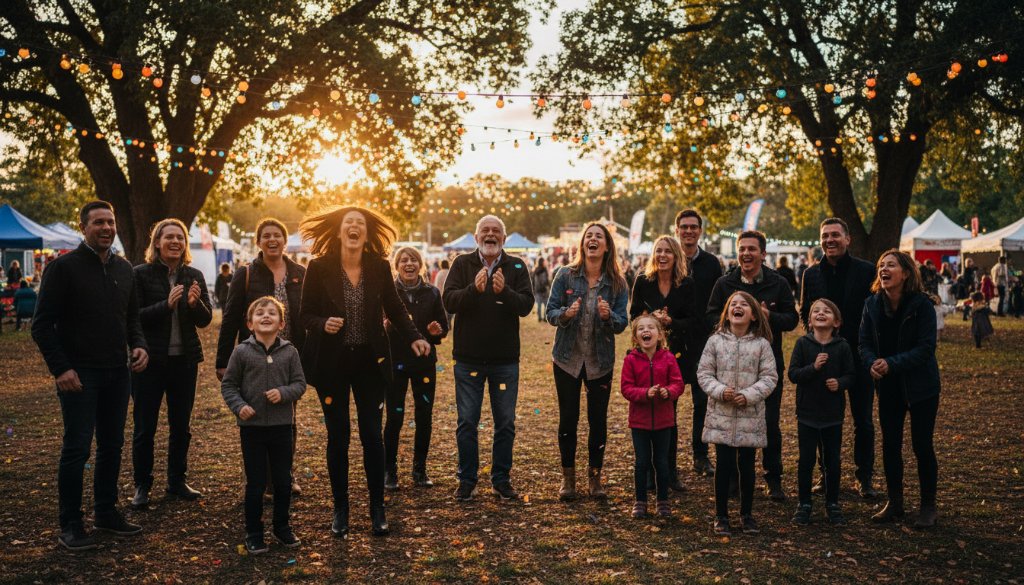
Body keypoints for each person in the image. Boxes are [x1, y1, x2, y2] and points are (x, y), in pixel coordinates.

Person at [298, 206, 430, 537]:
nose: (355, 227)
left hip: (371, 365)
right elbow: (304, 315)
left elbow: (396, 308)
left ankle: (377, 509)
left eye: (360, 224)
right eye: (349, 223)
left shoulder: (379, 267)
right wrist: (321, 323)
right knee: (338, 436)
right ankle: (340, 510)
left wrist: (415, 337)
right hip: (333, 364)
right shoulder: (319, 267)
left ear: (366, 234)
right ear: (340, 231)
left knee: (372, 435)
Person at [31, 200, 150, 551]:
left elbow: (132, 320)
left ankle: (105, 512)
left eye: (110, 222)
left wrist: (139, 345)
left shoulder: (125, 269)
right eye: (98, 222)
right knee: (77, 448)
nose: (106, 228)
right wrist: (61, 368)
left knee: (112, 445)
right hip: (79, 375)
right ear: (83, 227)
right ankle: (70, 523)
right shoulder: (63, 268)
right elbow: (41, 325)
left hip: (118, 372)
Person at [443, 215, 534, 502]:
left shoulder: (517, 265)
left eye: (496, 231)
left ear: (504, 239)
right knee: (467, 422)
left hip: (504, 360)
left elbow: (526, 306)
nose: (490, 235)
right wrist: (474, 290)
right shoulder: (461, 264)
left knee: (505, 422)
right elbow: (449, 301)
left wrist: (503, 292)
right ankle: (467, 480)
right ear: (476, 237)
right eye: (485, 230)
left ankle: (501, 479)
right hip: (468, 359)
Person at [706, 230, 798, 501]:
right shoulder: (724, 284)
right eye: (742, 249)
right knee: (732, 421)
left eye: (752, 249)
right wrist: (731, 322)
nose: (746, 253)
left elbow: (792, 319)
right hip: (729, 366)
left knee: (769, 422)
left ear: (763, 253)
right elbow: (711, 315)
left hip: (766, 364)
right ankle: (734, 478)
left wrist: (767, 317)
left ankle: (773, 477)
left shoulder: (777, 283)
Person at [216, 218, 306, 495]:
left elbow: (307, 316)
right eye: (266, 235)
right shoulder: (245, 274)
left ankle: (284, 476)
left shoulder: (300, 273)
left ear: (284, 240)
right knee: (255, 415)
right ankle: (258, 478)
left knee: (287, 415)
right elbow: (230, 318)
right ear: (258, 242)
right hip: (254, 355)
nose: (272, 239)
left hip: (289, 354)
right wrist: (222, 360)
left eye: (277, 235)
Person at [129, 219, 212, 509]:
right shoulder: (139, 275)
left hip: (184, 362)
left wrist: (194, 305)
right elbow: (134, 317)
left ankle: (176, 481)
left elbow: (205, 320)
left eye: (180, 237)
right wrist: (166, 305)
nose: (175, 242)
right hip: (150, 361)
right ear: (157, 242)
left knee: (181, 426)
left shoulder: (194, 275)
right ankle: (142, 485)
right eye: (169, 237)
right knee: (145, 427)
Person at [546, 223, 629, 501]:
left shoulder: (617, 282)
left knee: (598, 421)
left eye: (599, 237)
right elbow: (550, 312)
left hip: (599, 361)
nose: (593, 240)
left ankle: (595, 478)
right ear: (583, 243)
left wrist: (609, 318)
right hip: (567, 359)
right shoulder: (565, 275)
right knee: (568, 419)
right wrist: (566, 314)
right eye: (589, 236)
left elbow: (622, 324)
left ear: (607, 246)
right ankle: (567, 479)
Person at [797, 218, 879, 498]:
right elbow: (805, 310)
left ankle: (864, 477)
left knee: (863, 420)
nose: (829, 240)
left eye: (835, 235)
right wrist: (813, 341)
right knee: (822, 419)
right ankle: (826, 474)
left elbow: (874, 312)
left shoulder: (867, 271)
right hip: (823, 357)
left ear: (847, 239)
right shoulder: (811, 274)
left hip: (857, 354)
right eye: (825, 236)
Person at [860, 249, 941, 528]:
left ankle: (928, 506)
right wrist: (871, 362)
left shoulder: (922, 305)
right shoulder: (871, 304)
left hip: (922, 387)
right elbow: (864, 344)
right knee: (891, 445)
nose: (883, 269)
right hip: (888, 387)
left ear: (905, 273)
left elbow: (926, 349)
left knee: (921, 445)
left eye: (891, 265)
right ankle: (895, 503)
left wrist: (890, 363)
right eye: (881, 265)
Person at [220, 296, 306, 554]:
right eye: (260, 313)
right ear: (250, 323)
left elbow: (300, 384)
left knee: (282, 481)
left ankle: (281, 527)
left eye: (272, 313)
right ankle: (254, 531)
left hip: (281, 428)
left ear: (281, 324)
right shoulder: (241, 352)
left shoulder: (290, 352)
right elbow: (229, 385)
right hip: (252, 429)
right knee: (256, 483)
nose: (266, 316)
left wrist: (284, 393)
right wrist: (239, 406)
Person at [699, 291, 778, 536]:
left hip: (749, 416)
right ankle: (721, 515)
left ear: (753, 315)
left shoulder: (762, 345)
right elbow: (704, 374)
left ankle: (747, 514)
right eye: (733, 304)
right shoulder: (715, 342)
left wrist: (750, 395)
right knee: (723, 465)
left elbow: (769, 377)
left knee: (747, 465)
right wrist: (721, 391)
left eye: (744, 304)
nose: (738, 306)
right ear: (727, 313)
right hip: (721, 414)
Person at [629, 235, 700, 492]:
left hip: (675, 356)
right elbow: (634, 316)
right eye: (658, 251)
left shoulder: (686, 284)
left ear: (676, 256)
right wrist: (650, 319)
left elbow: (693, 320)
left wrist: (670, 323)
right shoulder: (642, 282)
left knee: (668, 414)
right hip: (645, 356)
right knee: (645, 410)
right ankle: (647, 472)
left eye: (668, 252)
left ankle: (669, 471)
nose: (662, 256)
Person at [383, 246, 449, 490]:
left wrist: (437, 331)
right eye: (403, 260)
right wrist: (384, 326)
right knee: (394, 417)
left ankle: (419, 470)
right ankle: (389, 471)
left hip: (423, 363)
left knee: (424, 415)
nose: (408, 263)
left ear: (420, 265)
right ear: (396, 265)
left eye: (413, 260)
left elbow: (443, 324)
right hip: (395, 363)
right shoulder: (387, 292)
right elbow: (376, 326)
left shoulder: (432, 293)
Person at [788, 299, 855, 526]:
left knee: (832, 460)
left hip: (832, 415)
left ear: (836, 321)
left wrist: (840, 383)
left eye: (827, 311)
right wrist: (813, 368)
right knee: (806, 460)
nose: (820, 313)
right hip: (807, 413)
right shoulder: (803, 344)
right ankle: (804, 503)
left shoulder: (842, 347)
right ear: (809, 320)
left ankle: (832, 503)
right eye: (816, 310)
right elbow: (794, 374)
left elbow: (851, 375)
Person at [620, 314, 684, 518]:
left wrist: (669, 392)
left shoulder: (669, 358)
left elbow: (678, 383)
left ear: (660, 334)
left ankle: (663, 500)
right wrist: (644, 394)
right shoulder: (630, 360)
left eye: (651, 328)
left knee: (662, 462)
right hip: (639, 422)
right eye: (641, 329)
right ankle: (640, 501)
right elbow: (626, 388)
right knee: (642, 462)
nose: (646, 331)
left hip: (664, 421)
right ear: (635, 337)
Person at [675, 209, 723, 477]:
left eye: (693, 227)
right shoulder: (668, 257)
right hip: (674, 341)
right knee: (668, 400)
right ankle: (667, 460)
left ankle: (700, 455)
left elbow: (718, 301)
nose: (689, 231)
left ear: (700, 231)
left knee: (702, 402)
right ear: (677, 230)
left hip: (704, 341)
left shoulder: (711, 263)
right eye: (684, 227)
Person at [532, 257, 551, 322]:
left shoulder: (535, 270)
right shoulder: (544, 270)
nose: (545, 262)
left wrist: (534, 289)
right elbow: (546, 280)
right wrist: (548, 286)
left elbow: (533, 281)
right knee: (545, 305)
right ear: (542, 262)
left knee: (539, 305)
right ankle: (545, 318)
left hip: (537, 290)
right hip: (543, 290)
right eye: (544, 261)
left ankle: (540, 318)